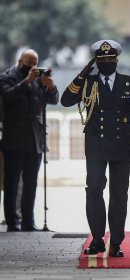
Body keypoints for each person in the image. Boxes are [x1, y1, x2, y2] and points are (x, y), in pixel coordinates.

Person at [61, 40, 130, 257]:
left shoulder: (129, 82)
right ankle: (98, 238)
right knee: (94, 190)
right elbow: (66, 100)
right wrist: (82, 74)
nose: (108, 62)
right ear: (96, 63)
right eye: (103, 60)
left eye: (111, 59)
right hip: (96, 145)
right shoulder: (88, 83)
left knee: (119, 195)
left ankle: (116, 242)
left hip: (121, 146)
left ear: (117, 60)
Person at [0, 49, 59, 231]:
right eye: (30, 63)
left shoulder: (38, 79)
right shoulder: (7, 77)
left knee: (31, 182)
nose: (33, 67)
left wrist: (51, 86)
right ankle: (12, 222)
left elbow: (53, 100)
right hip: (14, 138)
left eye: (35, 63)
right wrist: (28, 81)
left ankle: (28, 221)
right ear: (20, 61)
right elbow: (8, 97)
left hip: (35, 139)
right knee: (12, 183)